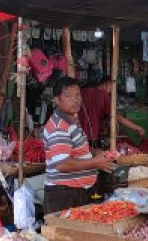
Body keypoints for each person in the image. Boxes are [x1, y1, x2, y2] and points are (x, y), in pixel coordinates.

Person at [42, 77, 115, 214]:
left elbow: (77, 147)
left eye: (77, 95)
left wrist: (94, 152)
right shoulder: (59, 127)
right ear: (57, 100)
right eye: (68, 96)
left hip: (77, 192)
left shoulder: (73, 119)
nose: (75, 100)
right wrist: (95, 163)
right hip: (64, 195)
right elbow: (63, 164)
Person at [79, 76, 145, 146]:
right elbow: (118, 117)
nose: (112, 90)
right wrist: (138, 128)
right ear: (107, 84)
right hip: (91, 133)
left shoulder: (81, 92)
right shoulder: (104, 95)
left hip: (76, 132)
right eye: (112, 87)